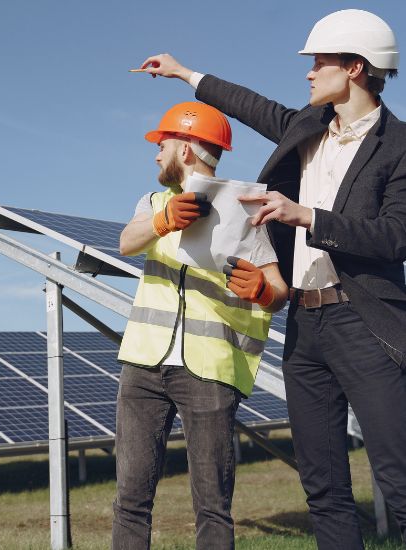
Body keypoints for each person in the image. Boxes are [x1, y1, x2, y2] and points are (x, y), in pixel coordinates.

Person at [138, 8, 406, 549]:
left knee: (399, 480)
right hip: (305, 330)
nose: (309, 73)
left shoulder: (399, 146)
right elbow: (249, 104)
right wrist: (185, 73)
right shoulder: (305, 127)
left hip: (366, 325)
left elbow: (396, 235)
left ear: (355, 68)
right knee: (323, 487)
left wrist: (307, 216)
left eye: (319, 63)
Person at [113, 101, 288, 550]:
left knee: (212, 505)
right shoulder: (152, 202)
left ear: (187, 149)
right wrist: (162, 221)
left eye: (163, 144)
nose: (156, 154)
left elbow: (277, 287)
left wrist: (264, 292)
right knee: (130, 498)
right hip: (143, 368)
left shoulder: (246, 211)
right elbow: (126, 243)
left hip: (210, 371)